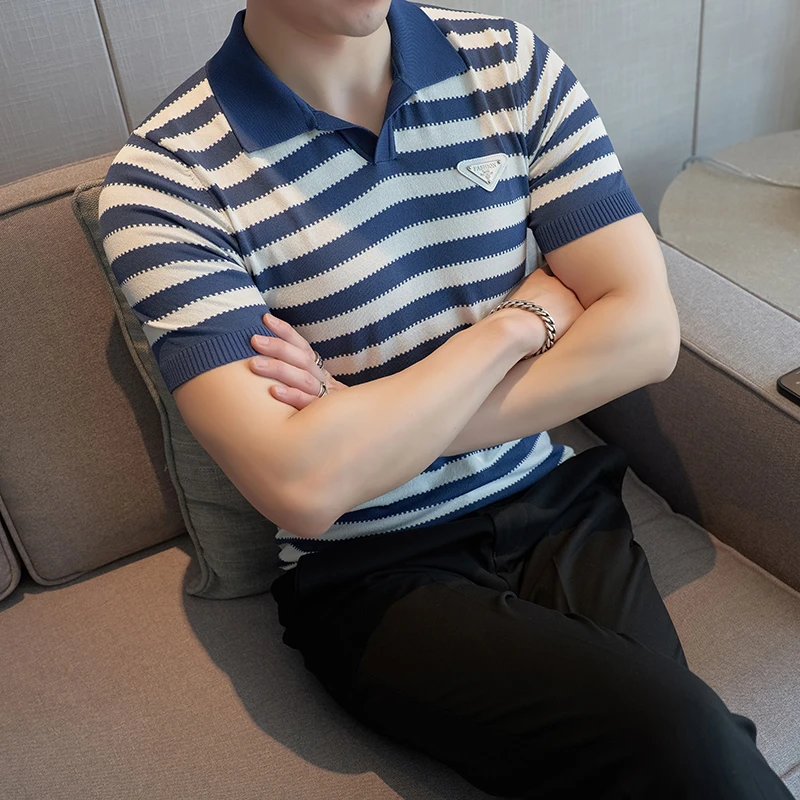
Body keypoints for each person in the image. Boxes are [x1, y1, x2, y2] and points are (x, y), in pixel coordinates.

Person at [97, 1, 793, 797]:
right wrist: (512, 328)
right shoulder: (164, 183)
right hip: (371, 571)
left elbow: (647, 336)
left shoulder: (509, 63)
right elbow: (304, 488)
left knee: (678, 749)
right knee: (682, 732)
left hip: (554, 505)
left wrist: (365, 422)